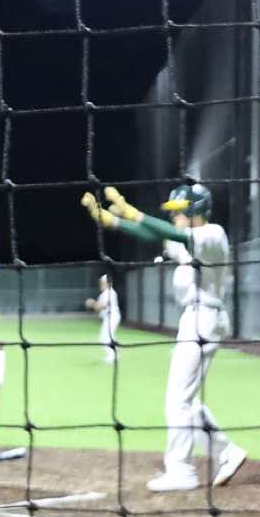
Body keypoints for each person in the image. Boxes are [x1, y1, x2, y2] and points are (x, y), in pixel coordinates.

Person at [82, 183, 248, 493]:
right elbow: (153, 234)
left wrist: (134, 213)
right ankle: (227, 451)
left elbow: (173, 234)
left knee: (177, 398)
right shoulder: (185, 238)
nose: (174, 217)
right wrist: (114, 221)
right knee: (186, 399)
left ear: (194, 210)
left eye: (178, 211)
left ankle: (181, 470)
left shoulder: (212, 234)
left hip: (204, 318)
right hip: (197, 320)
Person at [85, 273, 121, 364]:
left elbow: (102, 305)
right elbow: (98, 308)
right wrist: (93, 305)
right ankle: (114, 354)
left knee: (105, 337)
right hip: (110, 317)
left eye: (103, 283)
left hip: (112, 317)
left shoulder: (109, 292)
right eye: (101, 283)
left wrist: (92, 303)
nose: (101, 284)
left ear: (108, 284)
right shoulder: (104, 294)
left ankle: (112, 356)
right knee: (107, 337)